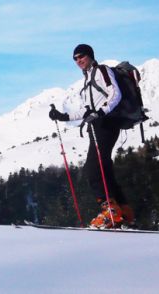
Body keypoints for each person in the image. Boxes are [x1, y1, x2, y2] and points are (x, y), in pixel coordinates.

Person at [49, 44, 134, 228]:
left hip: (106, 124)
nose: (78, 60)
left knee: (93, 168)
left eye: (81, 56)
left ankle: (109, 211)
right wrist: (63, 116)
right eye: (75, 58)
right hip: (97, 126)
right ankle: (123, 212)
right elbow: (86, 110)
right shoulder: (87, 80)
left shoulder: (102, 71)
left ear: (90, 56)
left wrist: (101, 112)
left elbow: (115, 94)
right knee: (104, 168)